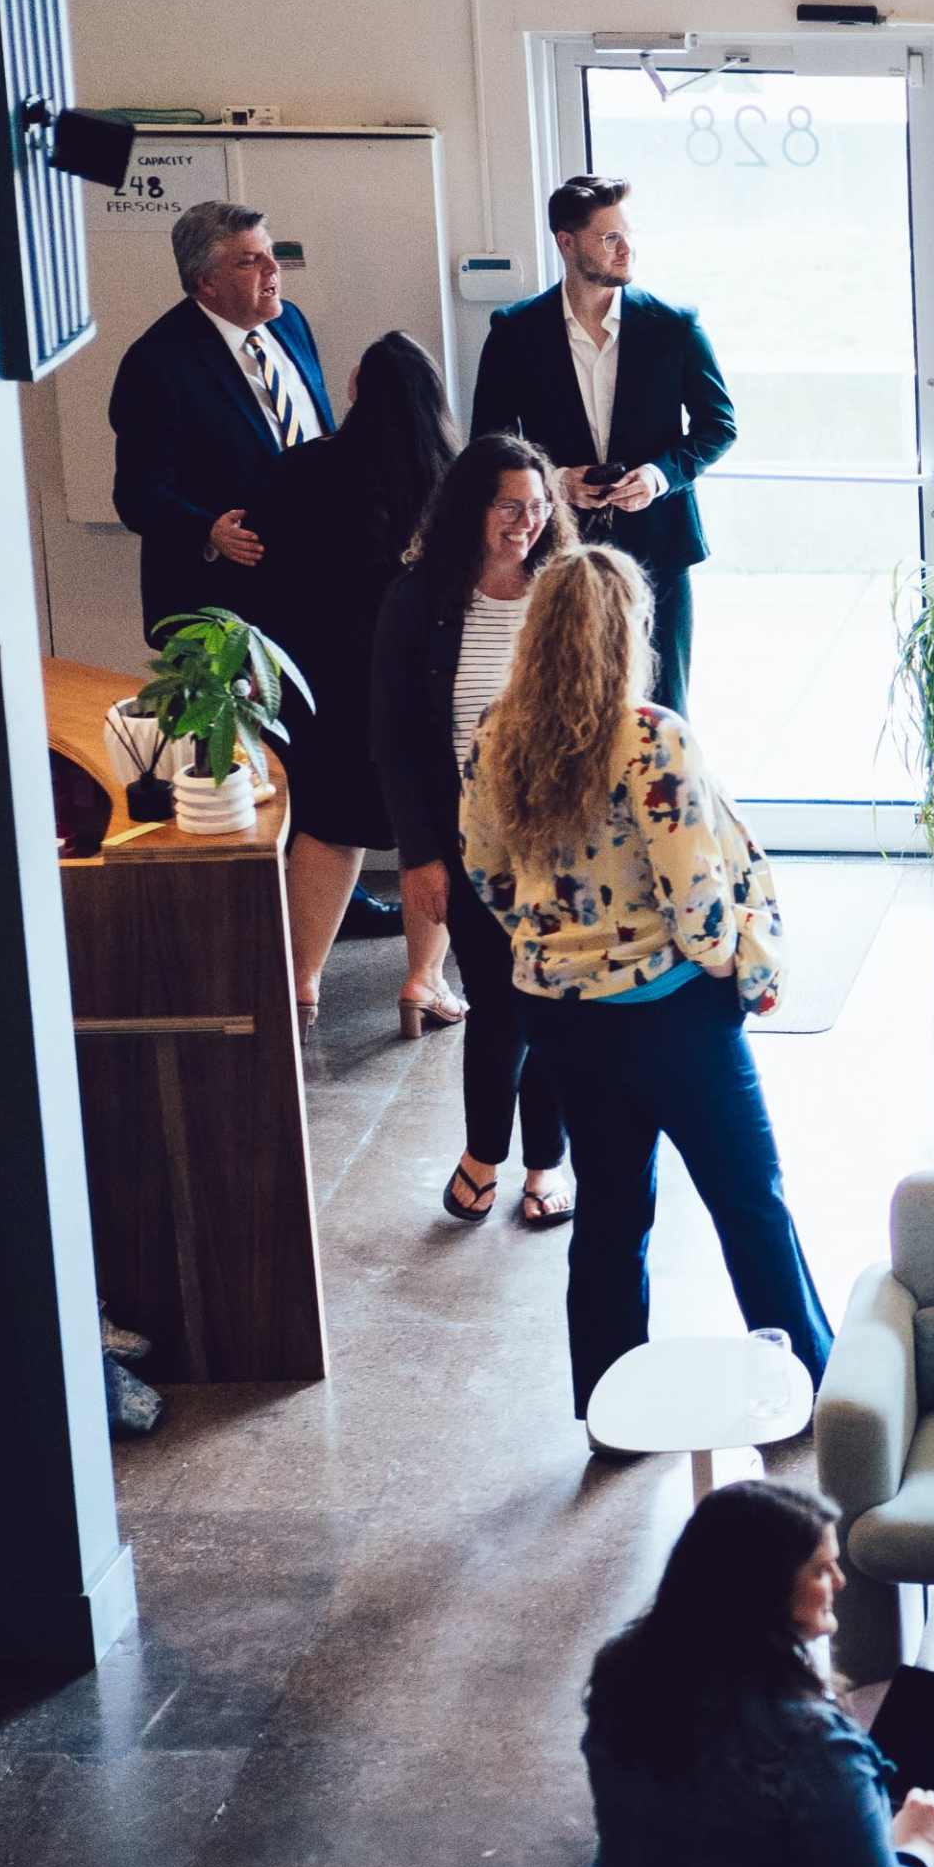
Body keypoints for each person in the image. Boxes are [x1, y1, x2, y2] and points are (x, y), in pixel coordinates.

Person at [460, 544, 828, 1418]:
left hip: (560, 1017)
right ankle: (814, 1385)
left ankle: (608, 1409)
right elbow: (699, 909)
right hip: (673, 1017)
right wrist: (739, 966)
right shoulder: (651, 739)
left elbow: (487, 873)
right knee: (748, 1199)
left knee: (612, 1216)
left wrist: (557, 943)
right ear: (625, 633)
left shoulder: (494, 735)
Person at [576, 1480, 934, 1867]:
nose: (842, 1581)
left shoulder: (623, 1672)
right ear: (765, 1592)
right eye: (822, 1570)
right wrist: (920, 1845)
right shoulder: (813, 1745)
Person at [373, 437, 575, 1232]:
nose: (526, 522)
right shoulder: (419, 598)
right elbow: (392, 737)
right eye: (508, 506)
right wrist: (420, 854)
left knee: (551, 999)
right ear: (473, 508)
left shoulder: (564, 589)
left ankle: (543, 1163)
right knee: (499, 1000)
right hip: (468, 840)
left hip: (561, 840)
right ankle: (486, 1152)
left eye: (537, 506)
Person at [245, 330, 458, 1032]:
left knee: (330, 825)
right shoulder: (448, 478)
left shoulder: (298, 469)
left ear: (355, 387)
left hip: (325, 676)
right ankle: (423, 981)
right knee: (435, 831)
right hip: (419, 680)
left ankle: (302, 982)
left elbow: (266, 573)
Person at [471, 175, 739, 712]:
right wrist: (555, 482)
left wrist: (659, 475)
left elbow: (718, 425)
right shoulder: (515, 331)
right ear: (566, 242)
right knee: (567, 704)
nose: (625, 249)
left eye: (628, 235)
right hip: (557, 551)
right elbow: (490, 442)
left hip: (660, 546)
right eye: (608, 238)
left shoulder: (674, 326)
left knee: (664, 707)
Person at [106, 200, 335, 642]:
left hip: (312, 583)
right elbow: (137, 494)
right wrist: (207, 530)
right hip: (226, 605)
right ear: (206, 282)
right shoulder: (156, 362)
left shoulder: (292, 324)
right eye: (250, 261)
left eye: (269, 253)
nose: (273, 268)